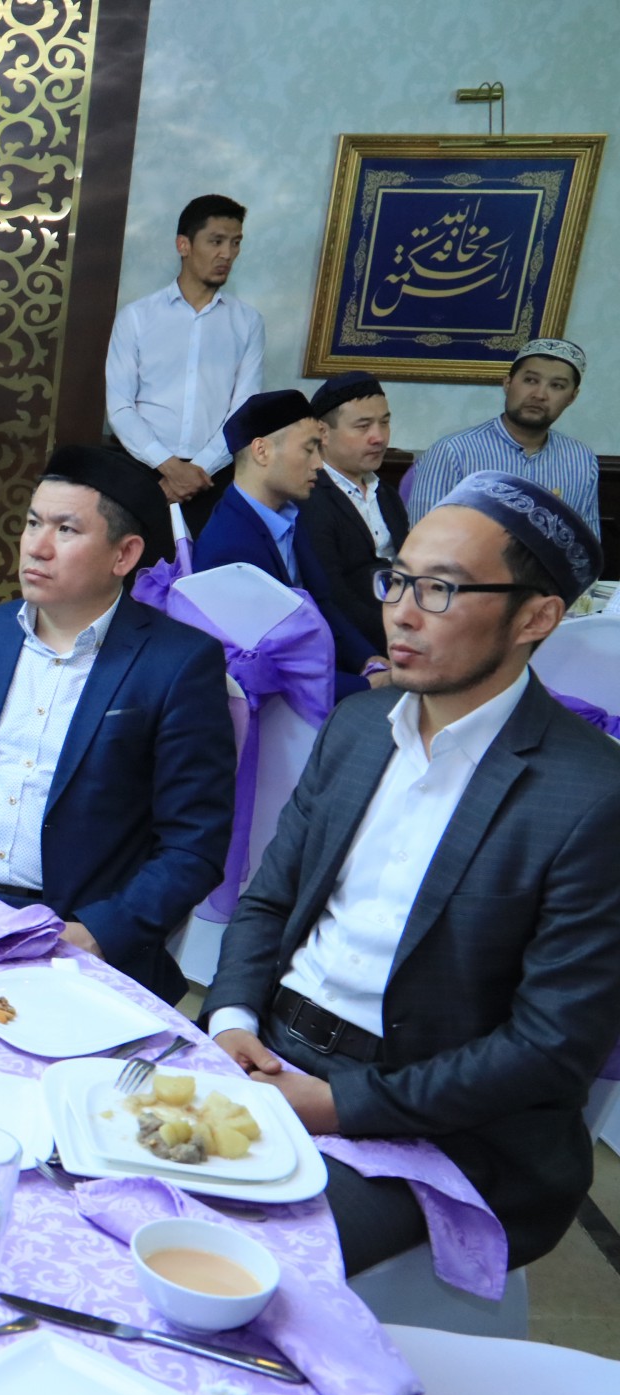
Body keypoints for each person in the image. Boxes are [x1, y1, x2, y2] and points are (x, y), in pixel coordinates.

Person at [205, 472, 620, 1275]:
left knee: (235, 1252)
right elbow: (270, 899)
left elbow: (548, 1045)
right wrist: (231, 1022)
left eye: (441, 590)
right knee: (86, 1164)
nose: (400, 611)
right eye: (396, 579)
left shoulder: (591, 794)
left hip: (440, 1119)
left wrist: (341, 1104)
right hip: (274, 1049)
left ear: (535, 618)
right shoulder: (360, 725)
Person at [0, 447, 235, 1001]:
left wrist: (98, 934)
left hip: (69, 928)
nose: (36, 547)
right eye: (33, 523)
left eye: (66, 530)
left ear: (124, 554)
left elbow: (194, 843)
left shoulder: (176, 663)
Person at [193, 389, 376, 700]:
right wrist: (367, 686)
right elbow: (268, 669)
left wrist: (368, 660)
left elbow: (322, 603)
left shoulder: (288, 515)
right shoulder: (231, 549)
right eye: (309, 449)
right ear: (262, 451)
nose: (319, 464)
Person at [105, 194, 265, 535]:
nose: (227, 254)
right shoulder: (137, 318)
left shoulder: (247, 323)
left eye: (235, 243)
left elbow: (244, 410)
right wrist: (169, 466)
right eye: (216, 241)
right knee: (134, 561)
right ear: (184, 245)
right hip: (143, 469)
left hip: (213, 477)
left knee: (206, 566)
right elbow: (120, 406)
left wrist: (197, 470)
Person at [402, 338, 599, 529]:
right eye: (530, 380)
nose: (539, 395)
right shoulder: (453, 451)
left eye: (557, 386)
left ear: (572, 397)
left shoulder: (581, 459)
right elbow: (423, 539)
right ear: (507, 383)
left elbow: (585, 544)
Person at [301, 371, 408, 676]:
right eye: (363, 426)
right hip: (355, 650)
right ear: (323, 432)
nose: (379, 437)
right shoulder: (309, 496)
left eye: (384, 422)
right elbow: (331, 594)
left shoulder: (385, 493)